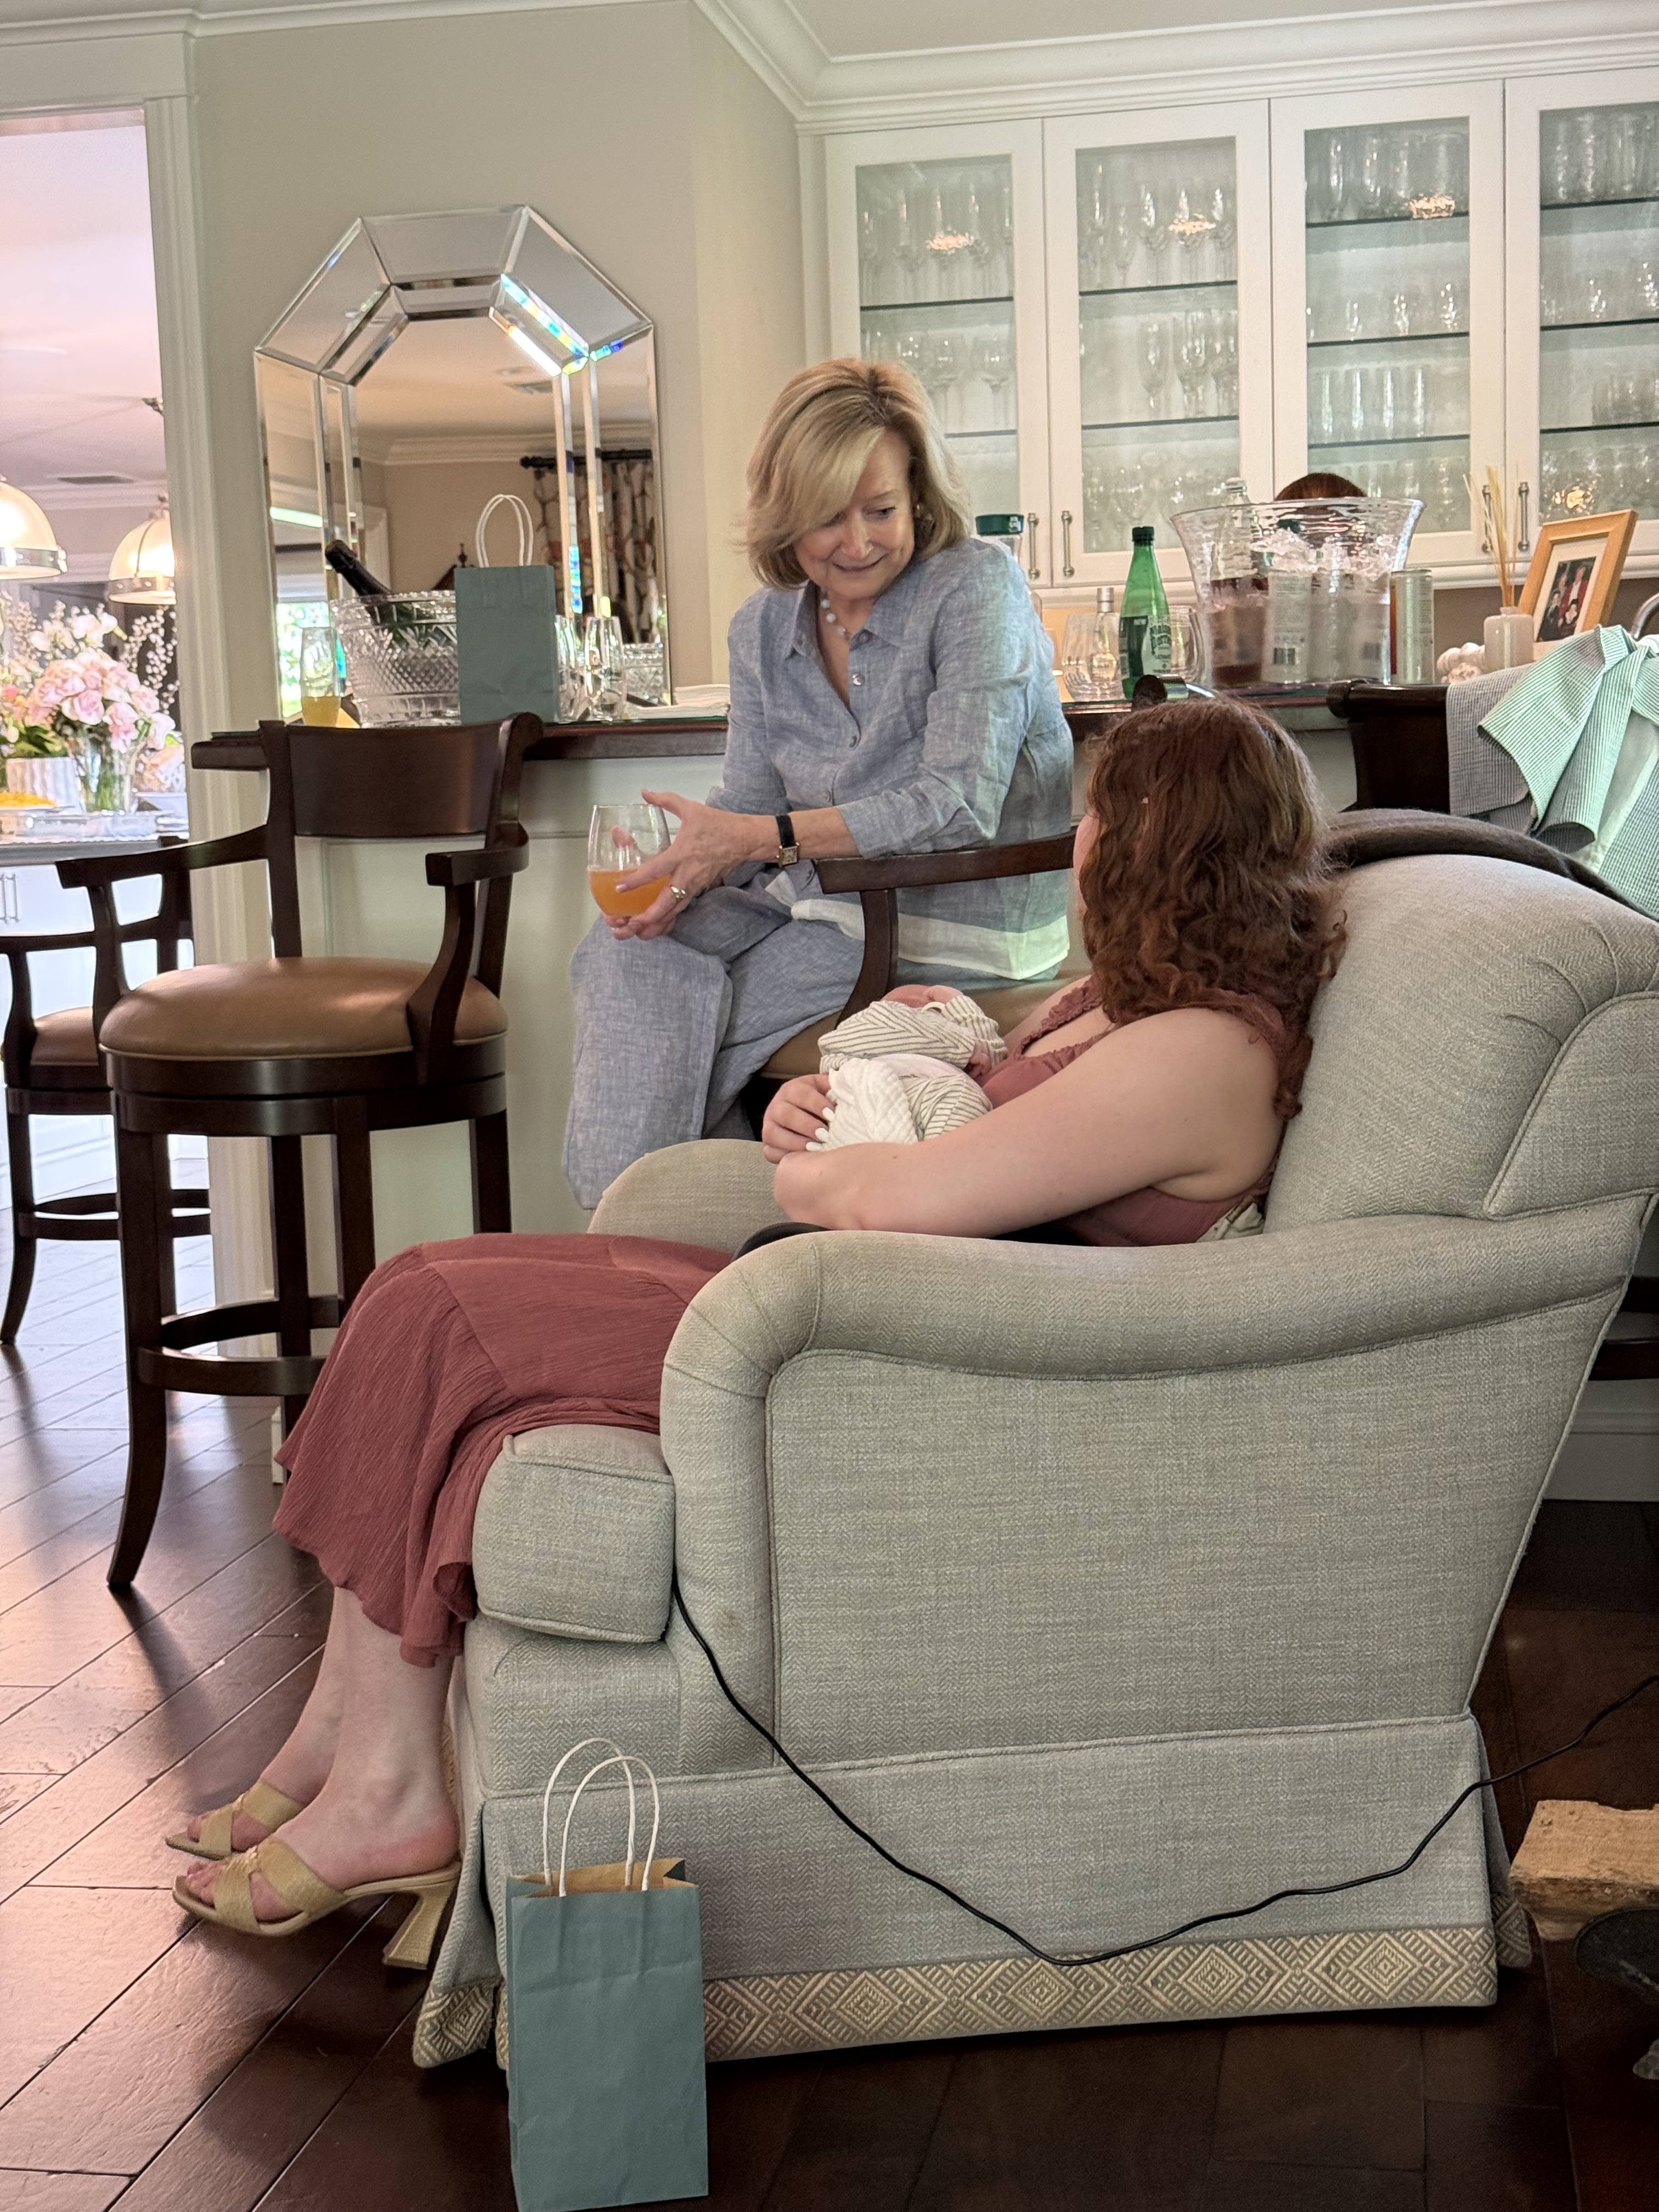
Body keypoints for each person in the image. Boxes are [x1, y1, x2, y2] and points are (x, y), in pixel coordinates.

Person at [171, 697, 1346, 1951]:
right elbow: (946, 1121)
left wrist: (820, 1168)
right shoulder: (1126, 1008)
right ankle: (346, 1746)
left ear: (1156, 835)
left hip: (885, 1362)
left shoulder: (1200, 1053)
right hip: (843, 1310)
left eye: (1097, 814)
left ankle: (393, 1798)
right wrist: (820, 1115)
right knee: (415, 1291)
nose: (1078, 840)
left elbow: (896, 1194)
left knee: (437, 1309)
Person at [562, 357, 1073, 1210]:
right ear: (785, 515)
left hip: (952, 909)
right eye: (829, 517)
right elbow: (750, 800)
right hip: (815, 899)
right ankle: (632, 1223)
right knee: (627, 954)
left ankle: (656, 1232)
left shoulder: (976, 586)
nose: (859, 542)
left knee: (684, 1033)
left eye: (882, 510)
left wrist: (762, 840)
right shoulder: (763, 627)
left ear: (919, 499)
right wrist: (686, 866)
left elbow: (957, 803)